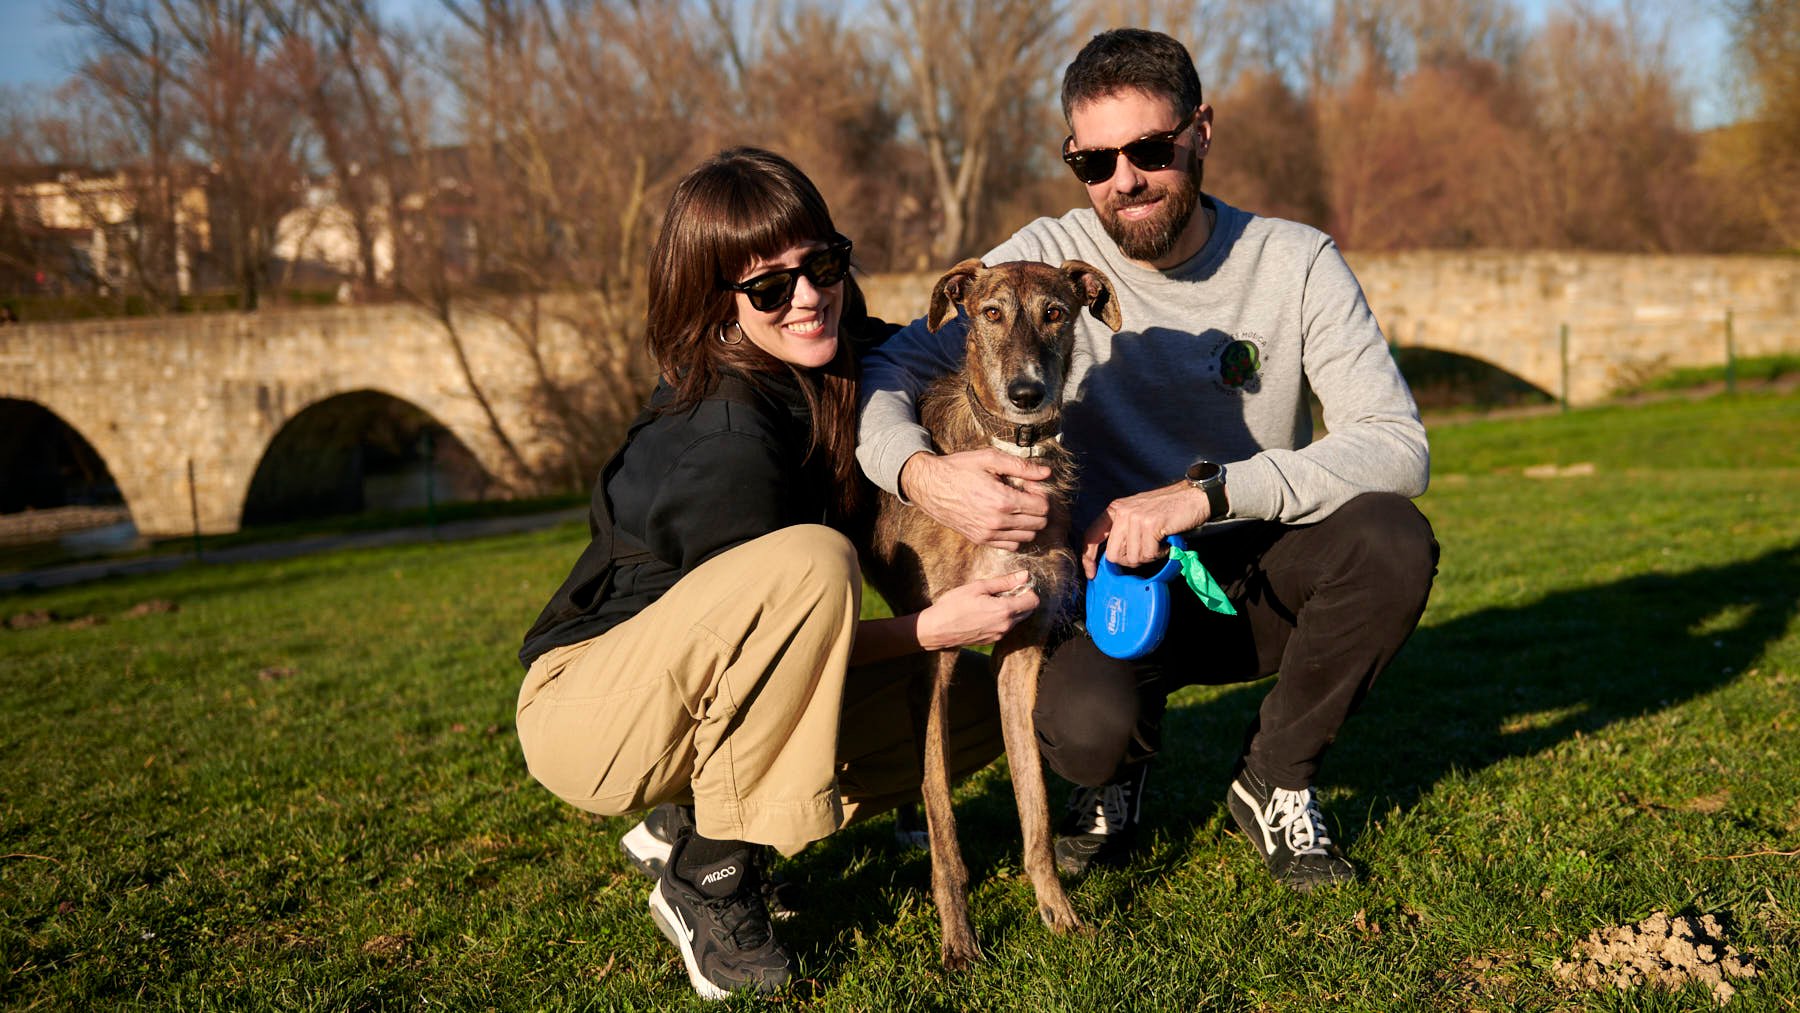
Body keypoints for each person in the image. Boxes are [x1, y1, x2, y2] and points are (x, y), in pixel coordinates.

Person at [857, 29, 1439, 893]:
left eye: (1149, 149)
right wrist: (921, 473)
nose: (1122, 180)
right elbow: (886, 369)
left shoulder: (1296, 261)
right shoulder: (1046, 257)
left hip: (1257, 561)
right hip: (1108, 588)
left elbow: (1398, 444)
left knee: (1392, 539)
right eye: (1094, 162)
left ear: (1201, 130)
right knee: (1086, 729)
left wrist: (1205, 495)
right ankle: (1115, 775)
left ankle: (1275, 780)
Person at [516, 148, 1031, 998]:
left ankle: (687, 815)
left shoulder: (834, 356)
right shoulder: (726, 439)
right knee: (814, 565)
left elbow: (958, 343)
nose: (807, 297)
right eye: (768, 288)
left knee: (965, 711)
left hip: (696, 686)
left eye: (822, 264)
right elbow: (781, 648)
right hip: (588, 710)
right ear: (717, 301)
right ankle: (710, 875)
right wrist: (931, 628)